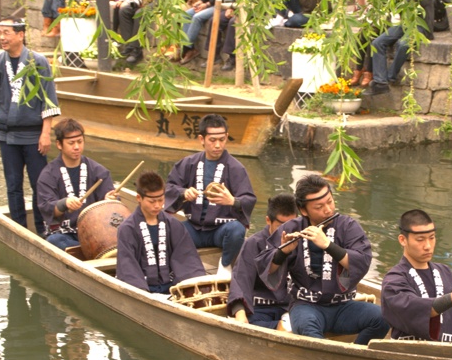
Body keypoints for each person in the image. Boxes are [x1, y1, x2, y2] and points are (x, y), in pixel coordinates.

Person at [258, 173, 389, 344]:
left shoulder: (348, 226)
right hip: (306, 306)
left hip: (343, 305)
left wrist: (328, 245)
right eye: (319, 206)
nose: (328, 209)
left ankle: (355, 354)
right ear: (304, 210)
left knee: (382, 318)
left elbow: (361, 262)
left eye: (330, 201)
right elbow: (267, 268)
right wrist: (283, 252)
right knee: (307, 327)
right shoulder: (291, 228)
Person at [0, 17, 60, 235]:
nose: (2, 38)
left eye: (6, 33)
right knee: (13, 185)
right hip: (7, 137)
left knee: (40, 185)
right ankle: (19, 228)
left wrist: (46, 133)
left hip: (34, 135)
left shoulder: (39, 62)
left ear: (20, 35)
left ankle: (43, 228)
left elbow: (49, 99)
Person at [164, 114, 256, 278]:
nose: (218, 145)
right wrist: (184, 193)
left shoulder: (236, 168)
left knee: (237, 230)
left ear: (227, 137)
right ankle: (176, 270)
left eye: (222, 139)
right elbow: (169, 187)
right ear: (202, 139)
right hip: (193, 227)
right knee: (166, 227)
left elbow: (249, 199)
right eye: (212, 140)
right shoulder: (188, 163)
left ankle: (225, 265)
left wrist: (232, 201)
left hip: (220, 231)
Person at [380, 210, 452, 344]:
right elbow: (411, 309)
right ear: (403, 240)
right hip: (409, 356)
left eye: (432, 237)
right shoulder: (394, 280)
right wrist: (449, 300)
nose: (428, 246)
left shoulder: (445, 272)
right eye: (420, 239)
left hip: (450, 355)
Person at [116, 170, 206, 294]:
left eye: (161, 200)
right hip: (143, 287)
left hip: (172, 287)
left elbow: (187, 259)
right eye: (152, 202)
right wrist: (141, 293)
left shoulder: (173, 224)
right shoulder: (127, 229)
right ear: (139, 198)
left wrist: (191, 286)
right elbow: (128, 267)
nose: (158, 206)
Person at [35, 118, 119, 250]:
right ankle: (91, 250)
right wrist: (64, 203)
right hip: (66, 234)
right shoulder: (48, 175)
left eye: (80, 142)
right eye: (71, 143)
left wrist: (109, 201)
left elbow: (112, 207)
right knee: (54, 240)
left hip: (97, 232)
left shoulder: (98, 171)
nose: (76, 147)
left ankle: (89, 249)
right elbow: (46, 207)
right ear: (59, 144)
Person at [227, 194, 299, 328]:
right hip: (260, 307)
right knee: (252, 323)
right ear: (268, 220)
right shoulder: (254, 243)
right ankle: (280, 327)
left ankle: (283, 327)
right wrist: (240, 314)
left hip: (291, 306)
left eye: (292, 225)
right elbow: (241, 279)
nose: (286, 232)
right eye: (281, 226)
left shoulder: (300, 240)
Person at [365, 0, 436, 96]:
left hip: (421, 26)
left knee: (403, 44)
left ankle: (390, 76)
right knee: (377, 43)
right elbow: (387, 2)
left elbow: (419, 0)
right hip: (404, 24)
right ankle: (380, 82)